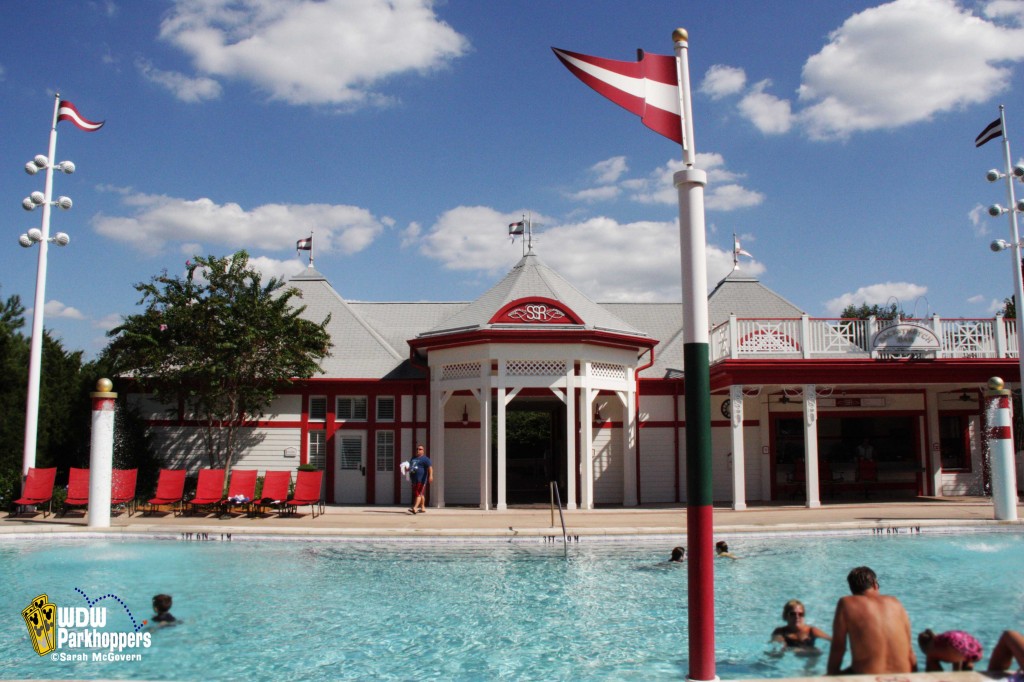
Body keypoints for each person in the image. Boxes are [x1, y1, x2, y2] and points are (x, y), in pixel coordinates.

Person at [826, 566, 916, 675]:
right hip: (903, 676)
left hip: (867, 677)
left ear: (852, 589)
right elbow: (910, 652)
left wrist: (830, 676)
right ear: (874, 584)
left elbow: (838, 648)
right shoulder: (895, 603)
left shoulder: (846, 603)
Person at [917, 628, 983, 671]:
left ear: (922, 646)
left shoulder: (930, 649)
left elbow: (936, 671)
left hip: (956, 649)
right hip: (975, 647)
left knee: (931, 661)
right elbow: (957, 656)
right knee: (963, 655)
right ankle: (967, 671)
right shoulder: (941, 639)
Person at [408, 444, 433, 514]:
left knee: (418, 494)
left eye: (420, 449)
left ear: (423, 451)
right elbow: (411, 467)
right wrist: (407, 468)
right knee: (421, 494)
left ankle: (415, 508)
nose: (418, 450)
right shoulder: (413, 458)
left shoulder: (425, 459)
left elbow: (430, 468)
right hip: (414, 479)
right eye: (417, 449)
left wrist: (430, 476)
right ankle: (423, 508)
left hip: (421, 479)